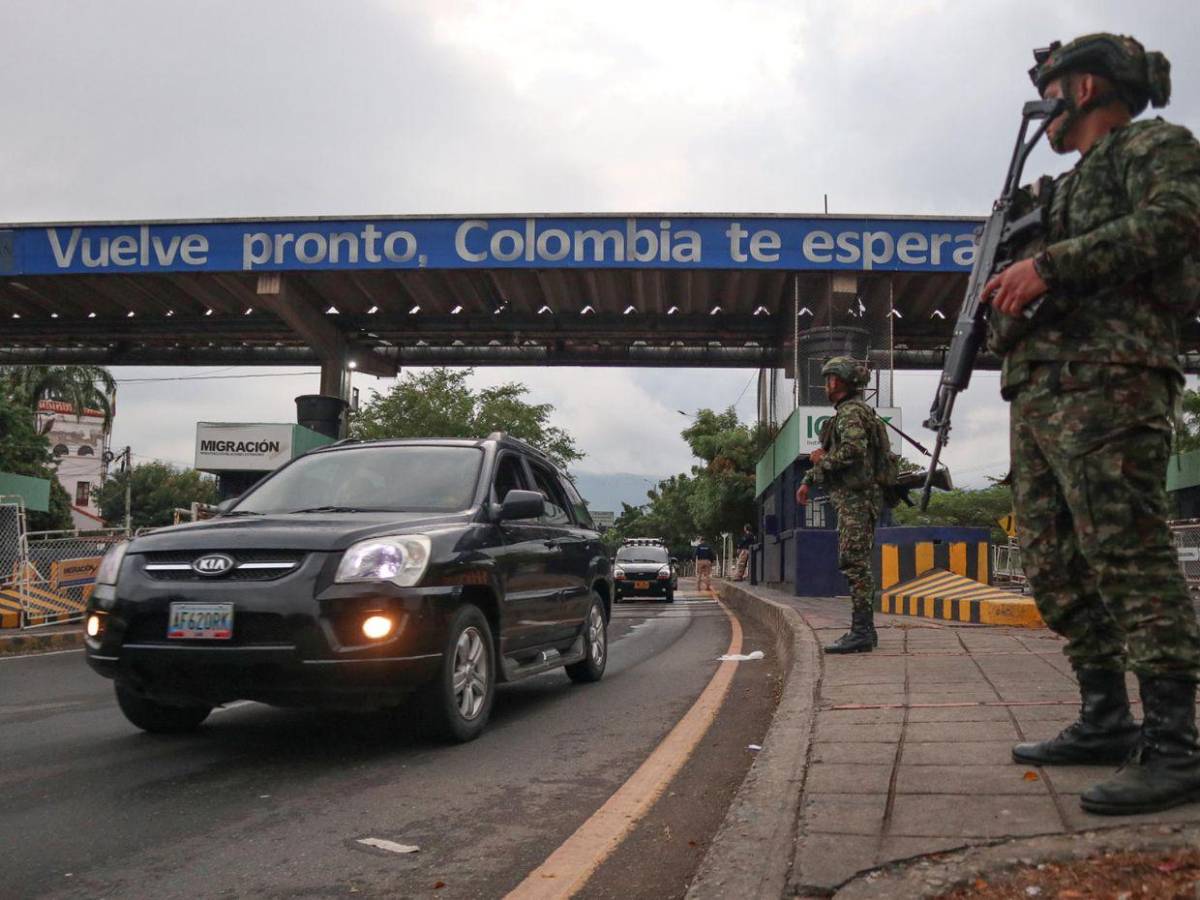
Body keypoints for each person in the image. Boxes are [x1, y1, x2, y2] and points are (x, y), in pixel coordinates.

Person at [983, 33, 1200, 815]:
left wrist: (1050, 266)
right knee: (1053, 562)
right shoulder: (1059, 190)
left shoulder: (1154, 147)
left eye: (1050, 91)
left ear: (1083, 88)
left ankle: (1175, 746)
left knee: (1128, 553)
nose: (1041, 110)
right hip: (1043, 389)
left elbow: (1178, 222)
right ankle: (1105, 716)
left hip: (1113, 378)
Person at [796, 357, 883, 654]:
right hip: (854, 498)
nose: (826, 384)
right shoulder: (849, 412)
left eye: (829, 378)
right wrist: (808, 479)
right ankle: (866, 630)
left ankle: (861, 632)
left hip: (857, 499)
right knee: (855, 561)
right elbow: (833, 452)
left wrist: (822, 461)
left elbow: (853, 450)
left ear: (838, 381)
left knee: (854, 562)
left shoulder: (851, 412)